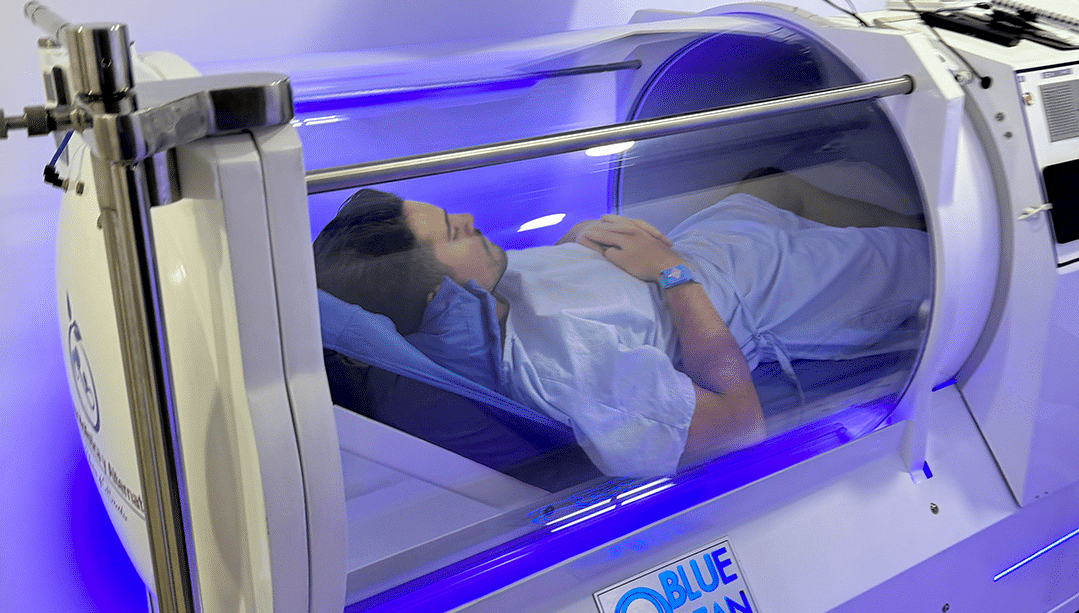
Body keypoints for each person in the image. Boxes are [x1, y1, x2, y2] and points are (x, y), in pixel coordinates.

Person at [314, 174, 929, 478]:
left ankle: (910, 219)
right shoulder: (565, 372)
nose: (471, 218)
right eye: (454, 233)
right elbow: (740, 424)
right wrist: (671, 274)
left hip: (702, 247)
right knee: (940, 254)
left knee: (779, 188)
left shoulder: (486, 292)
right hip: (762, 288)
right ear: (440, 299)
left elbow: (561, 295)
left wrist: (576, 239)